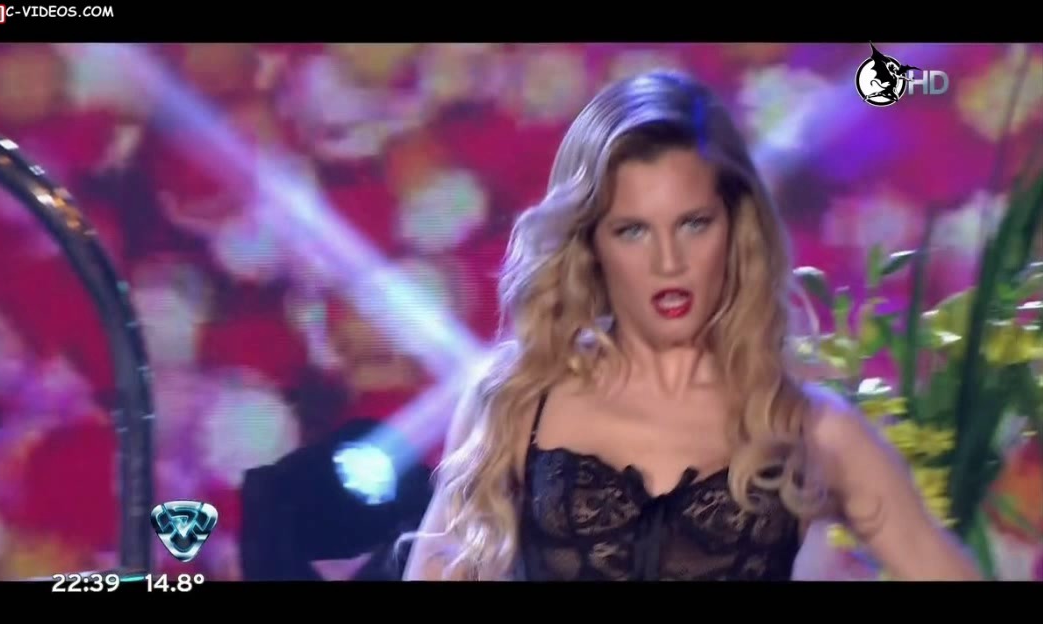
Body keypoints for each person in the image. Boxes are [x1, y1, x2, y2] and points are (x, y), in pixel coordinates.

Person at [399, 69, 982, 582]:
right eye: (633, 230)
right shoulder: (518, 400)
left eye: (694, 224)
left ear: (736, 227)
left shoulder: (814, 430)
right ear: (592, 243)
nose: (669, 262)